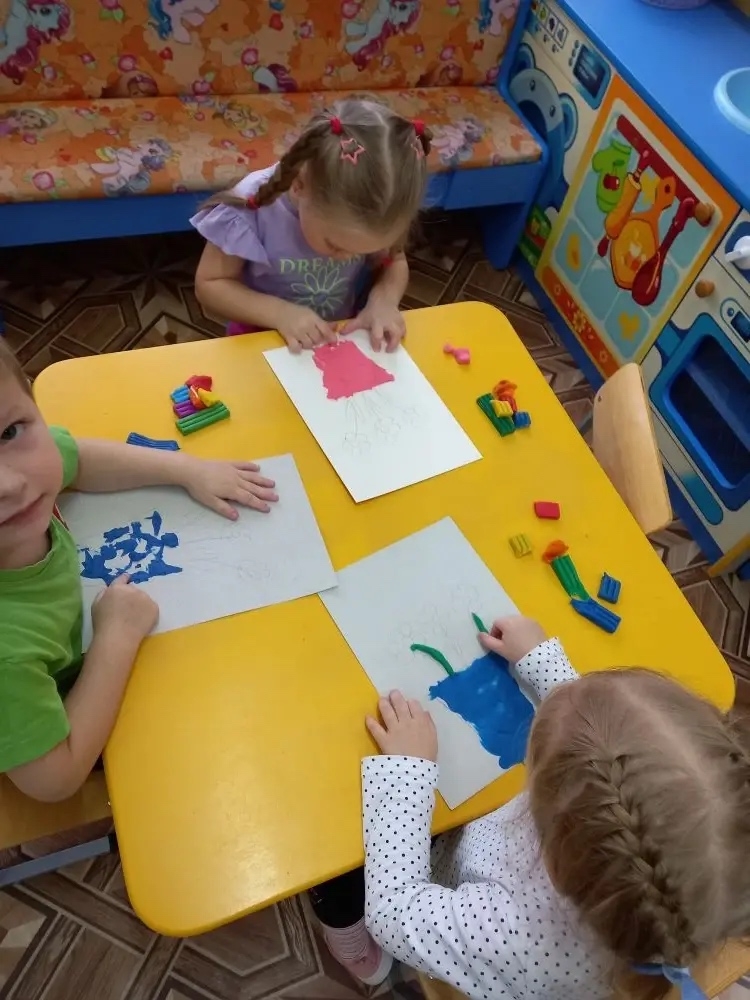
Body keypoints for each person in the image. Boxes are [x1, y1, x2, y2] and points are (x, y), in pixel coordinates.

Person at [312, 615, 750, 999]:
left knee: (335, 856)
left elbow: (393, 911)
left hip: (445, 891)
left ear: (552, 849)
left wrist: (407, 771)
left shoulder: (514, 934)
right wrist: (546, 666)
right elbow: (611, 755)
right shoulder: (684, 900)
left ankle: (363, 959)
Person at [0, 340, 278, 803]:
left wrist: (185, 470)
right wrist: (115, 636)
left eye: (9, 431)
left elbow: (78, 459)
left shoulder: (25, 482)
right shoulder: (6, 662)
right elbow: (56, 780)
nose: (10, 484)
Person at [191, 98, 432, 353]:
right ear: (299, 186)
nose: (347, 258)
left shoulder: (380, 210)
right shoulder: (251, 206)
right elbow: (210, 284)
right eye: (335, 245)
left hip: (335, 335)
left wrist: (383, 302)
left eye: (364, 251)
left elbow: (394, 262)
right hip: (261, 338)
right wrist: (280, 314)